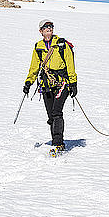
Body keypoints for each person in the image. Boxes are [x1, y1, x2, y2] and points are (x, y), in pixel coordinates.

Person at [23, 19, 77, 153]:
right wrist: (29, 82)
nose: (49, 29)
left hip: (62, 83)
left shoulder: (62, 44)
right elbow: (34, 67)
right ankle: (55, 141)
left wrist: (73, 83)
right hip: (46, 84)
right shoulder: (38, 47)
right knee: (51, 115)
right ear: (41, 31)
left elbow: (70, 64)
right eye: (46, 27)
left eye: (51, 27)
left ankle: (59, 143)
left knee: (56, 112)